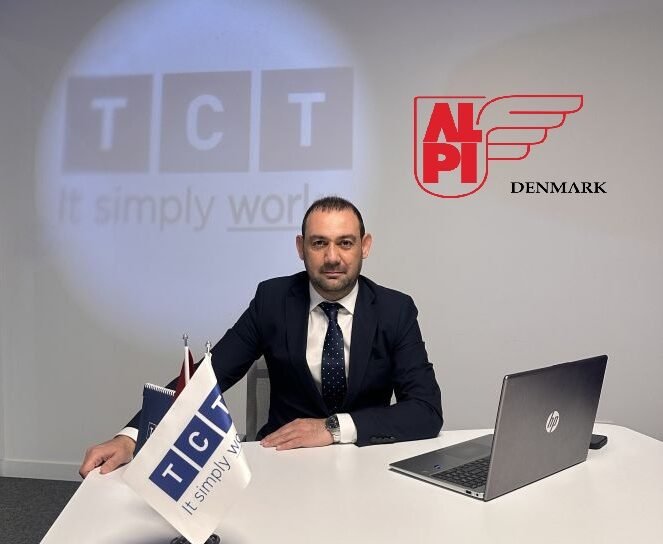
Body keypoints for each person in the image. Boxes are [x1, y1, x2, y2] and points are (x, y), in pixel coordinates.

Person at [79, 196, 443, 477]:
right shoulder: (273, 300)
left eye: (345, 243)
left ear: (365, 246)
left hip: (366, 463)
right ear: (300, 247)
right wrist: (132, 437)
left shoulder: (395, 310)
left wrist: (331, 428)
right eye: (319, 243)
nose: (332, 257)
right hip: (283, 463)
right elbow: (206, 378)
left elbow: (426, 411)